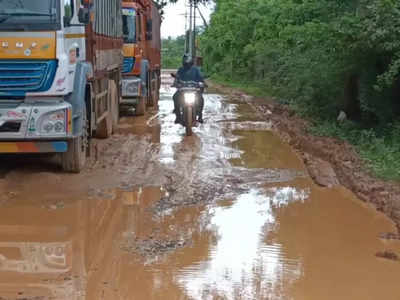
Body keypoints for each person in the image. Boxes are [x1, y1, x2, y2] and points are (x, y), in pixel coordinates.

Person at [173, 54, 205, 123]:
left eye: (189, 63)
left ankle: (200, 115)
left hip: (194, 90)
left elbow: (201, 78)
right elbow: (177, 79)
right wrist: (176, 83)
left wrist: (202, 83)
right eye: (186, 63)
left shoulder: (195, 69)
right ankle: (178, 116)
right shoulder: (181, 69)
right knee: (175, 97)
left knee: (201, 99)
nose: (187, 65)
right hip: (183, 90)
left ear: (191, 62)